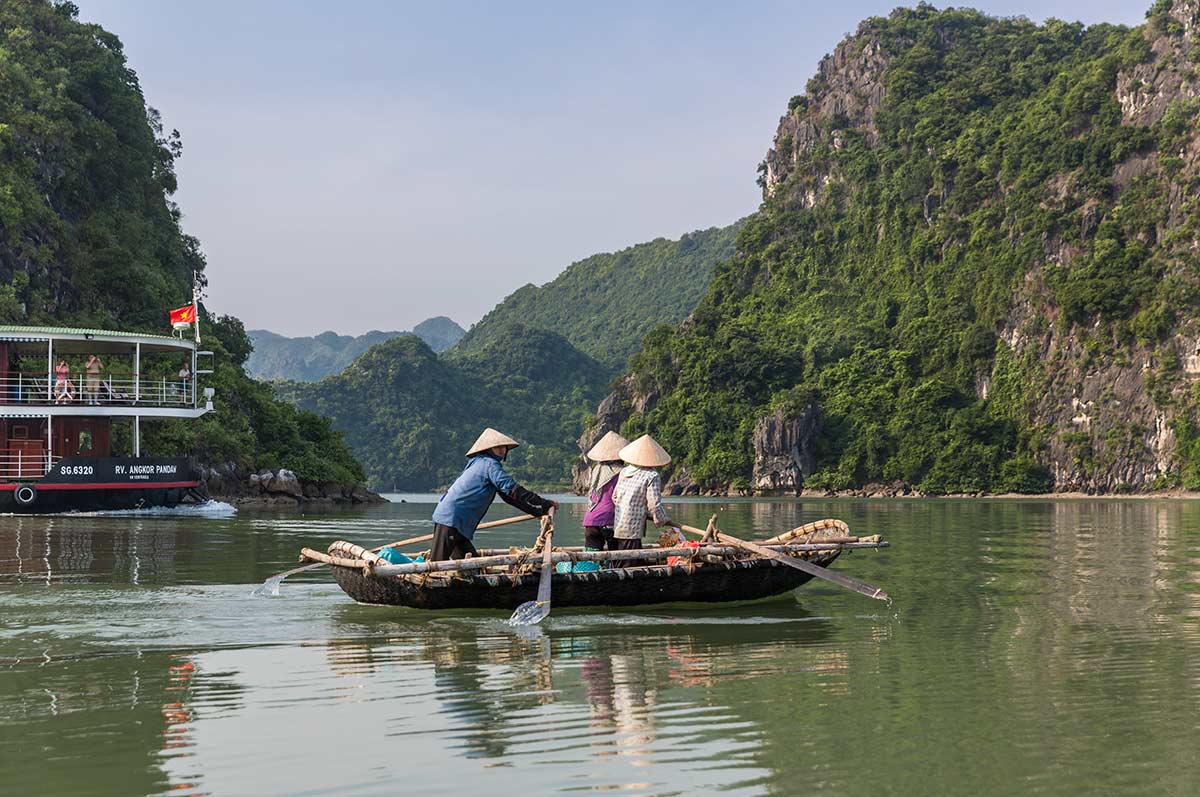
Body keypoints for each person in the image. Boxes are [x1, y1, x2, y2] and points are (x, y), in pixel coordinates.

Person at [430, 428, 557, 561]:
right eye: (497, 447)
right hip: (452, 518)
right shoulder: (490, 465)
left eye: (503, 447)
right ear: (488, 449)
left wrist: (536, 511)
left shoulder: (479, 462)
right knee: (436, 565)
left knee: (471, 567)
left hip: (456, 522)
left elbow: (510, 497)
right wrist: (544, 503)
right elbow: (514, 490)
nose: (502, 450)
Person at [611, 434, 679, 557]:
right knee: (629, 560)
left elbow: (615, 497)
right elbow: (654, 505)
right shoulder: (651, 475)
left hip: (619, 523)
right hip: (633, 527)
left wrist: (639, 510)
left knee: (621, 557)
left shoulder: (625, 471)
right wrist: (662, 519)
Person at [581, 431, 629, 556]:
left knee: (591, 559)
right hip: (611, 520)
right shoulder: (624, 472)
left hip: (591, 521)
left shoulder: (596, 470)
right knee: (617, 558)